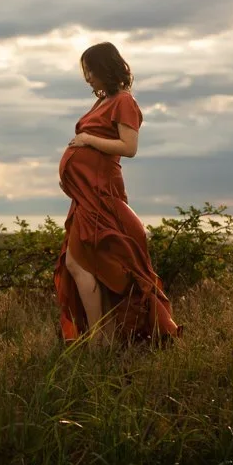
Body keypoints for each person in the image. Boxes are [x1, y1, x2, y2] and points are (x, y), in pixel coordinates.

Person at [54, 42, 182, 346]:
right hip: (86, 195)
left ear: (106, 69)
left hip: (102, 194)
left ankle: (102, 341)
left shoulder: (124, 101)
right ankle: (103, 339)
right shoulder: (103, 101)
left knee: (86, 264)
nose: (88, 78)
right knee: (81, 265)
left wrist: (86, 140)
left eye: (91, 71)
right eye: (85, 72)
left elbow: (129, 148)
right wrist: (73, 178)